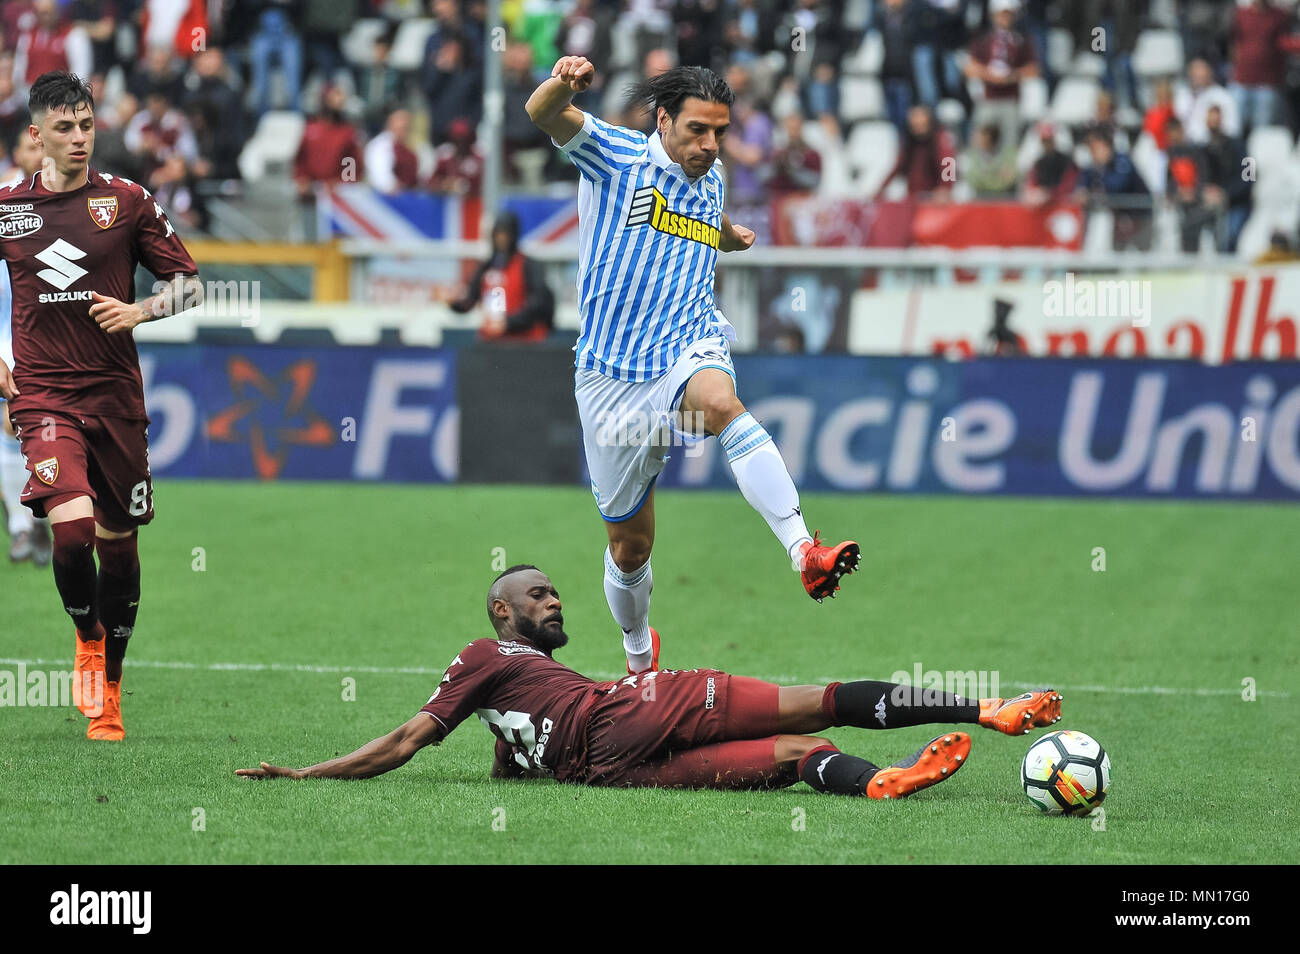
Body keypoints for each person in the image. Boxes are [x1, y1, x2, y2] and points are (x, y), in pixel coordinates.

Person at [525, 57, 860, 677]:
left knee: (724, 404)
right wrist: (562, 84)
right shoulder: (616, 156)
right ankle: (637, 654)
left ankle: (803, 550)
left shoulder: (711, 175)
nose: (710, 145)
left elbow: (705, 221)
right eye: (698, 130)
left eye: (720, 132)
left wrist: (729, 236)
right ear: (663, 121)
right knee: (630, 547)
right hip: (610, 378)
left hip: (687, 346)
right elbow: (541, 113)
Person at [237, 565, 1064, 794]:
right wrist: (309, 772)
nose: (553, 600)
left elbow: (512, 744)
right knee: (816, 699)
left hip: (612, 774)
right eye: (536, 595)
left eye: (556, 591)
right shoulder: (487, 657)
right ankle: (984, 706)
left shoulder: (519, 681)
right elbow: (407, 739)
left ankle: (881, 781)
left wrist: (508, 761)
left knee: (794, 752)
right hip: (626, 713)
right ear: (500, 615)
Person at [0, 70, 203, 740]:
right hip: (45, 394)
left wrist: (142, 309)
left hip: (116, 398)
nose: (80, 138)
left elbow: (189, 284)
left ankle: (109, 686)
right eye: (65, 127)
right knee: (73, 531)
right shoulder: (8, 209)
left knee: (118, 551)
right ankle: (86, 635)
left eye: (86, 125)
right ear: (36, 135)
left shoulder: (128, 202)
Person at [1, 127, 52, 565]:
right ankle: (21, 528)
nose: (37, 152)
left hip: (51, 336)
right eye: (29, 145)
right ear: (16, 152)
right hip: (7, 331)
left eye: (41, 145)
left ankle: (40, 515)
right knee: (7, 429)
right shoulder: (5, 203)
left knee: (47, 429)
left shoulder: (66, 200)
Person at [447, 211, 554, 341]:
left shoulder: (527, 265)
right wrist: (454, 301)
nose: (501, 239)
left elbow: (540, 303)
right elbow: (470, 298)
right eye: (498, 234)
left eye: (505, 234)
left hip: (525, 341)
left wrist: (509, 322)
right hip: (491, 341)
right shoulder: (486, 267)